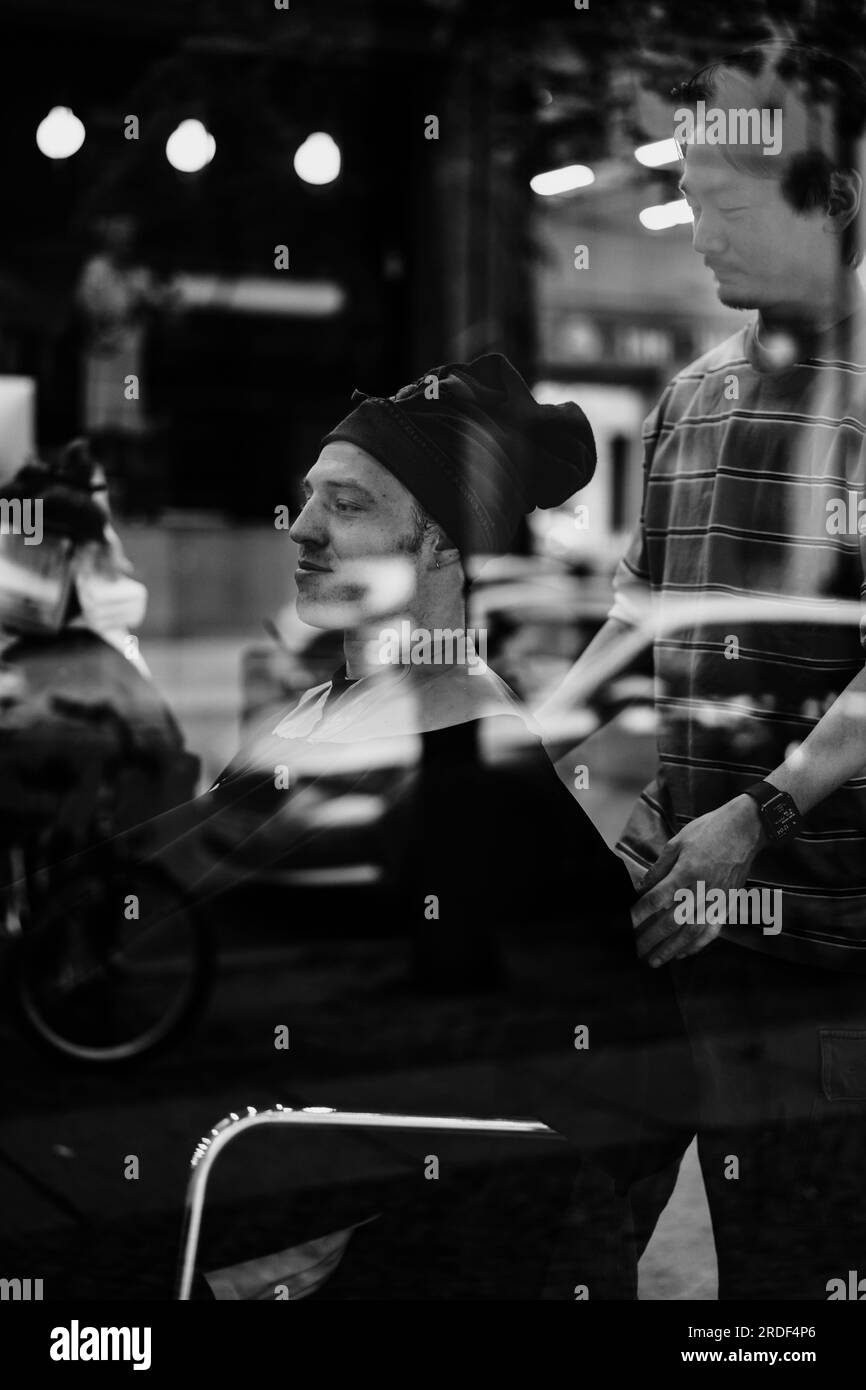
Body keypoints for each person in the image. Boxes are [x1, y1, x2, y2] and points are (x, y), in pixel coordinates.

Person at [160, 353, 694, 1299]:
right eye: (310, 499)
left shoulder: (481, 786)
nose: (306, 531)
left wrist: (336, 1218)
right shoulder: (323, 711)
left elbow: (623, 1095)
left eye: (351, 506)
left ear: (444, 544)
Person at [538, 41, 866, 1300]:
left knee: (798, 1270)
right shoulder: (687, 401)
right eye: (697, 202)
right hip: (676, 926)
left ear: (833, 200)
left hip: (825, 948)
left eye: (730, 207)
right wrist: (584, 763)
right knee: (586, 1242)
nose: (699, 237)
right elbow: (640, 623)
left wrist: (759, 814)